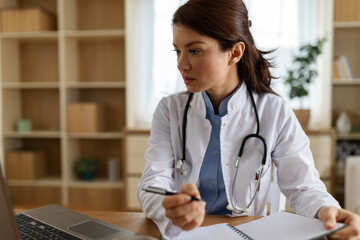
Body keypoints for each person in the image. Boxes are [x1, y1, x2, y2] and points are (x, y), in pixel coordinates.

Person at [137, 0, 360, 239]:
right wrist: (169, 207)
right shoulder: (170, 110)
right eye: (177, 51)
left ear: (235, 52)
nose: (181, 64)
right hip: (184, 234)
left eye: (194, 50)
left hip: (245, 233)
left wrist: (327, 209)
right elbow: (152, 182)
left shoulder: (274, 111)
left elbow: (303, 187)